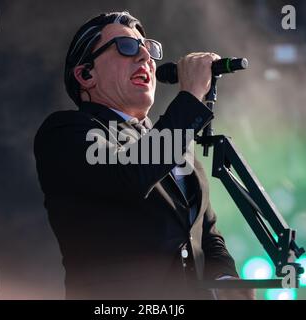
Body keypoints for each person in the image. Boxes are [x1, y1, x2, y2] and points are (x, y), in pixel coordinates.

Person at [34, 11, 254, 300]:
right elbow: (127, 176)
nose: (145, 58)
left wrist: (227, 282)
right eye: (127, 47)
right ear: (86, 74)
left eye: (148, 49)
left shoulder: (173, 143)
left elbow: (205, 233)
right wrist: (188, 99)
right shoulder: (65, 131)